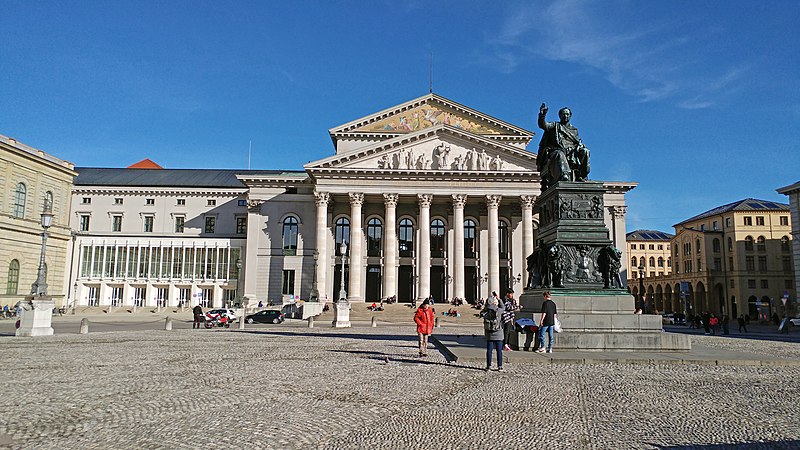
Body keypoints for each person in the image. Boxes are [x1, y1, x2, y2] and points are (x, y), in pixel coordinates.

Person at [536, 103, 590, 189]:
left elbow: (576, 142)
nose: (565, 116)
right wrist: (542, 115)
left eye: (567, 114)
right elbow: (543, 125)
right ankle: (565, 174)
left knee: (585, 151)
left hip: (572, 152)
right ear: (560, 116)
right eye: (563, 114)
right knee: (560, 154)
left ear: (570, 116)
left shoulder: (574, 130)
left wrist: (580, 146)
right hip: (557, 150)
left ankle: (581, 175)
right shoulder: (555, 125)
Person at [482, 296, 505, 371]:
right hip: (498, 333)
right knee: (499, 351)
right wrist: (499, 299)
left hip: (489, 333)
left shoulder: (485, 311)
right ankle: (500, 366)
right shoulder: (498, 310)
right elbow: (503, 307)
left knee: (489, 350)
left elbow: (481, 313)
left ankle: (489, 366)